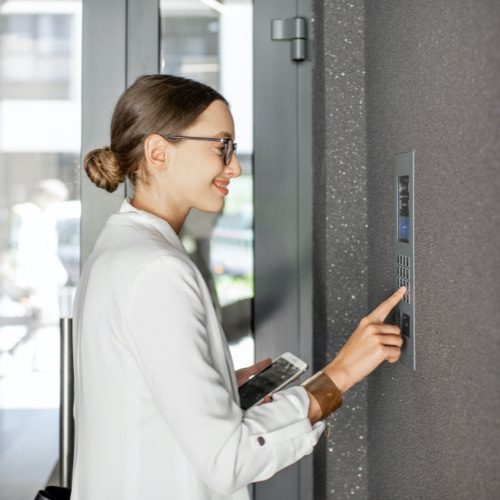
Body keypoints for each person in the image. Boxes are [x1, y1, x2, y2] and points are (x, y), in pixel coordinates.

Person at [70, 74, 406, 500]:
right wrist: (341, 374)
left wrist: (219, 386)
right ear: (158, 152)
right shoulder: (157, 269)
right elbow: (228, 460)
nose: (235, 166)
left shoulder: (118, 250)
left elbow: (133, 400)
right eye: (221, 146)